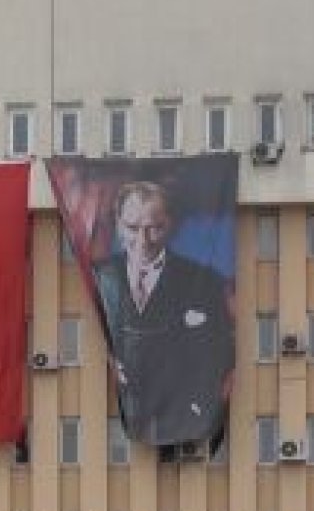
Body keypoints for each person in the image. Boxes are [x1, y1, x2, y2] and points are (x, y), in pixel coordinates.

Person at [89, 179, 235, 446]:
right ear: (118, 224)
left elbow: (219, 350)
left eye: (154, 228)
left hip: (180, 419)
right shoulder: (99, 278)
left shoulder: (203, 282)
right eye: (132, 228)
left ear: (171, 225)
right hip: (118, 419)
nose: (142, 241)